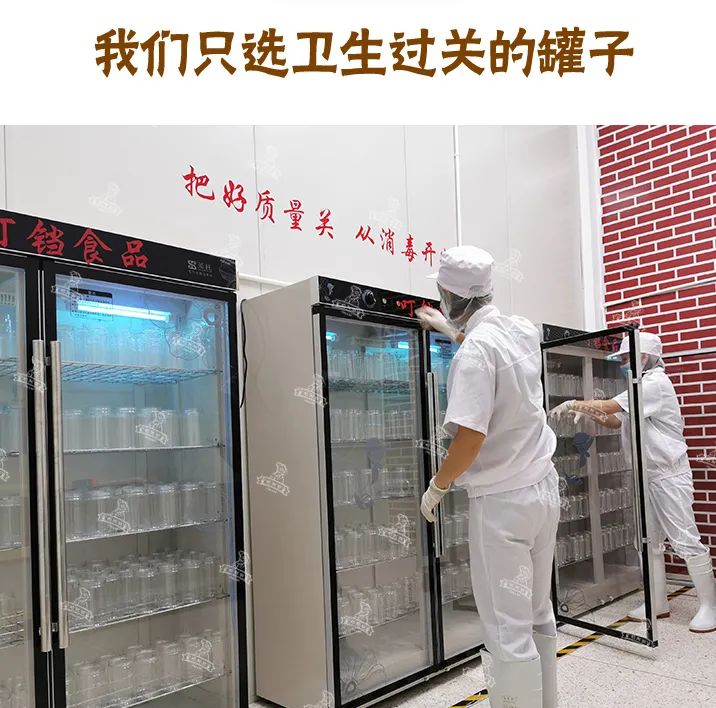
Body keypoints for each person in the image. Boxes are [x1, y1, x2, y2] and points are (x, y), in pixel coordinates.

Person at [417, 245, 560, 708]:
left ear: (450, 296)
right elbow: (489, 346)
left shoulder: (475, 352)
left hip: (503, 504)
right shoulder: (521, 330)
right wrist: (449, 331)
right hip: (542, 488)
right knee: (537, 612)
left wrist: (438, 486)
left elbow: (470, 437)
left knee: (505, 628)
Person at [550, 331, 716, 632]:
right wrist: (589, 413)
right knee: (649, 541)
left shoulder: (655, 384)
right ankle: (657, 603)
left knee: (684, 539)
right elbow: (615, 419)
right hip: (645, 475)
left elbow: (610, 408)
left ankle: (710, 606)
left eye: (627, 358)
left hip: (668, 475)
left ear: (643, 357)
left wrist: (575, 403)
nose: (623, 364)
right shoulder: (637, 386)